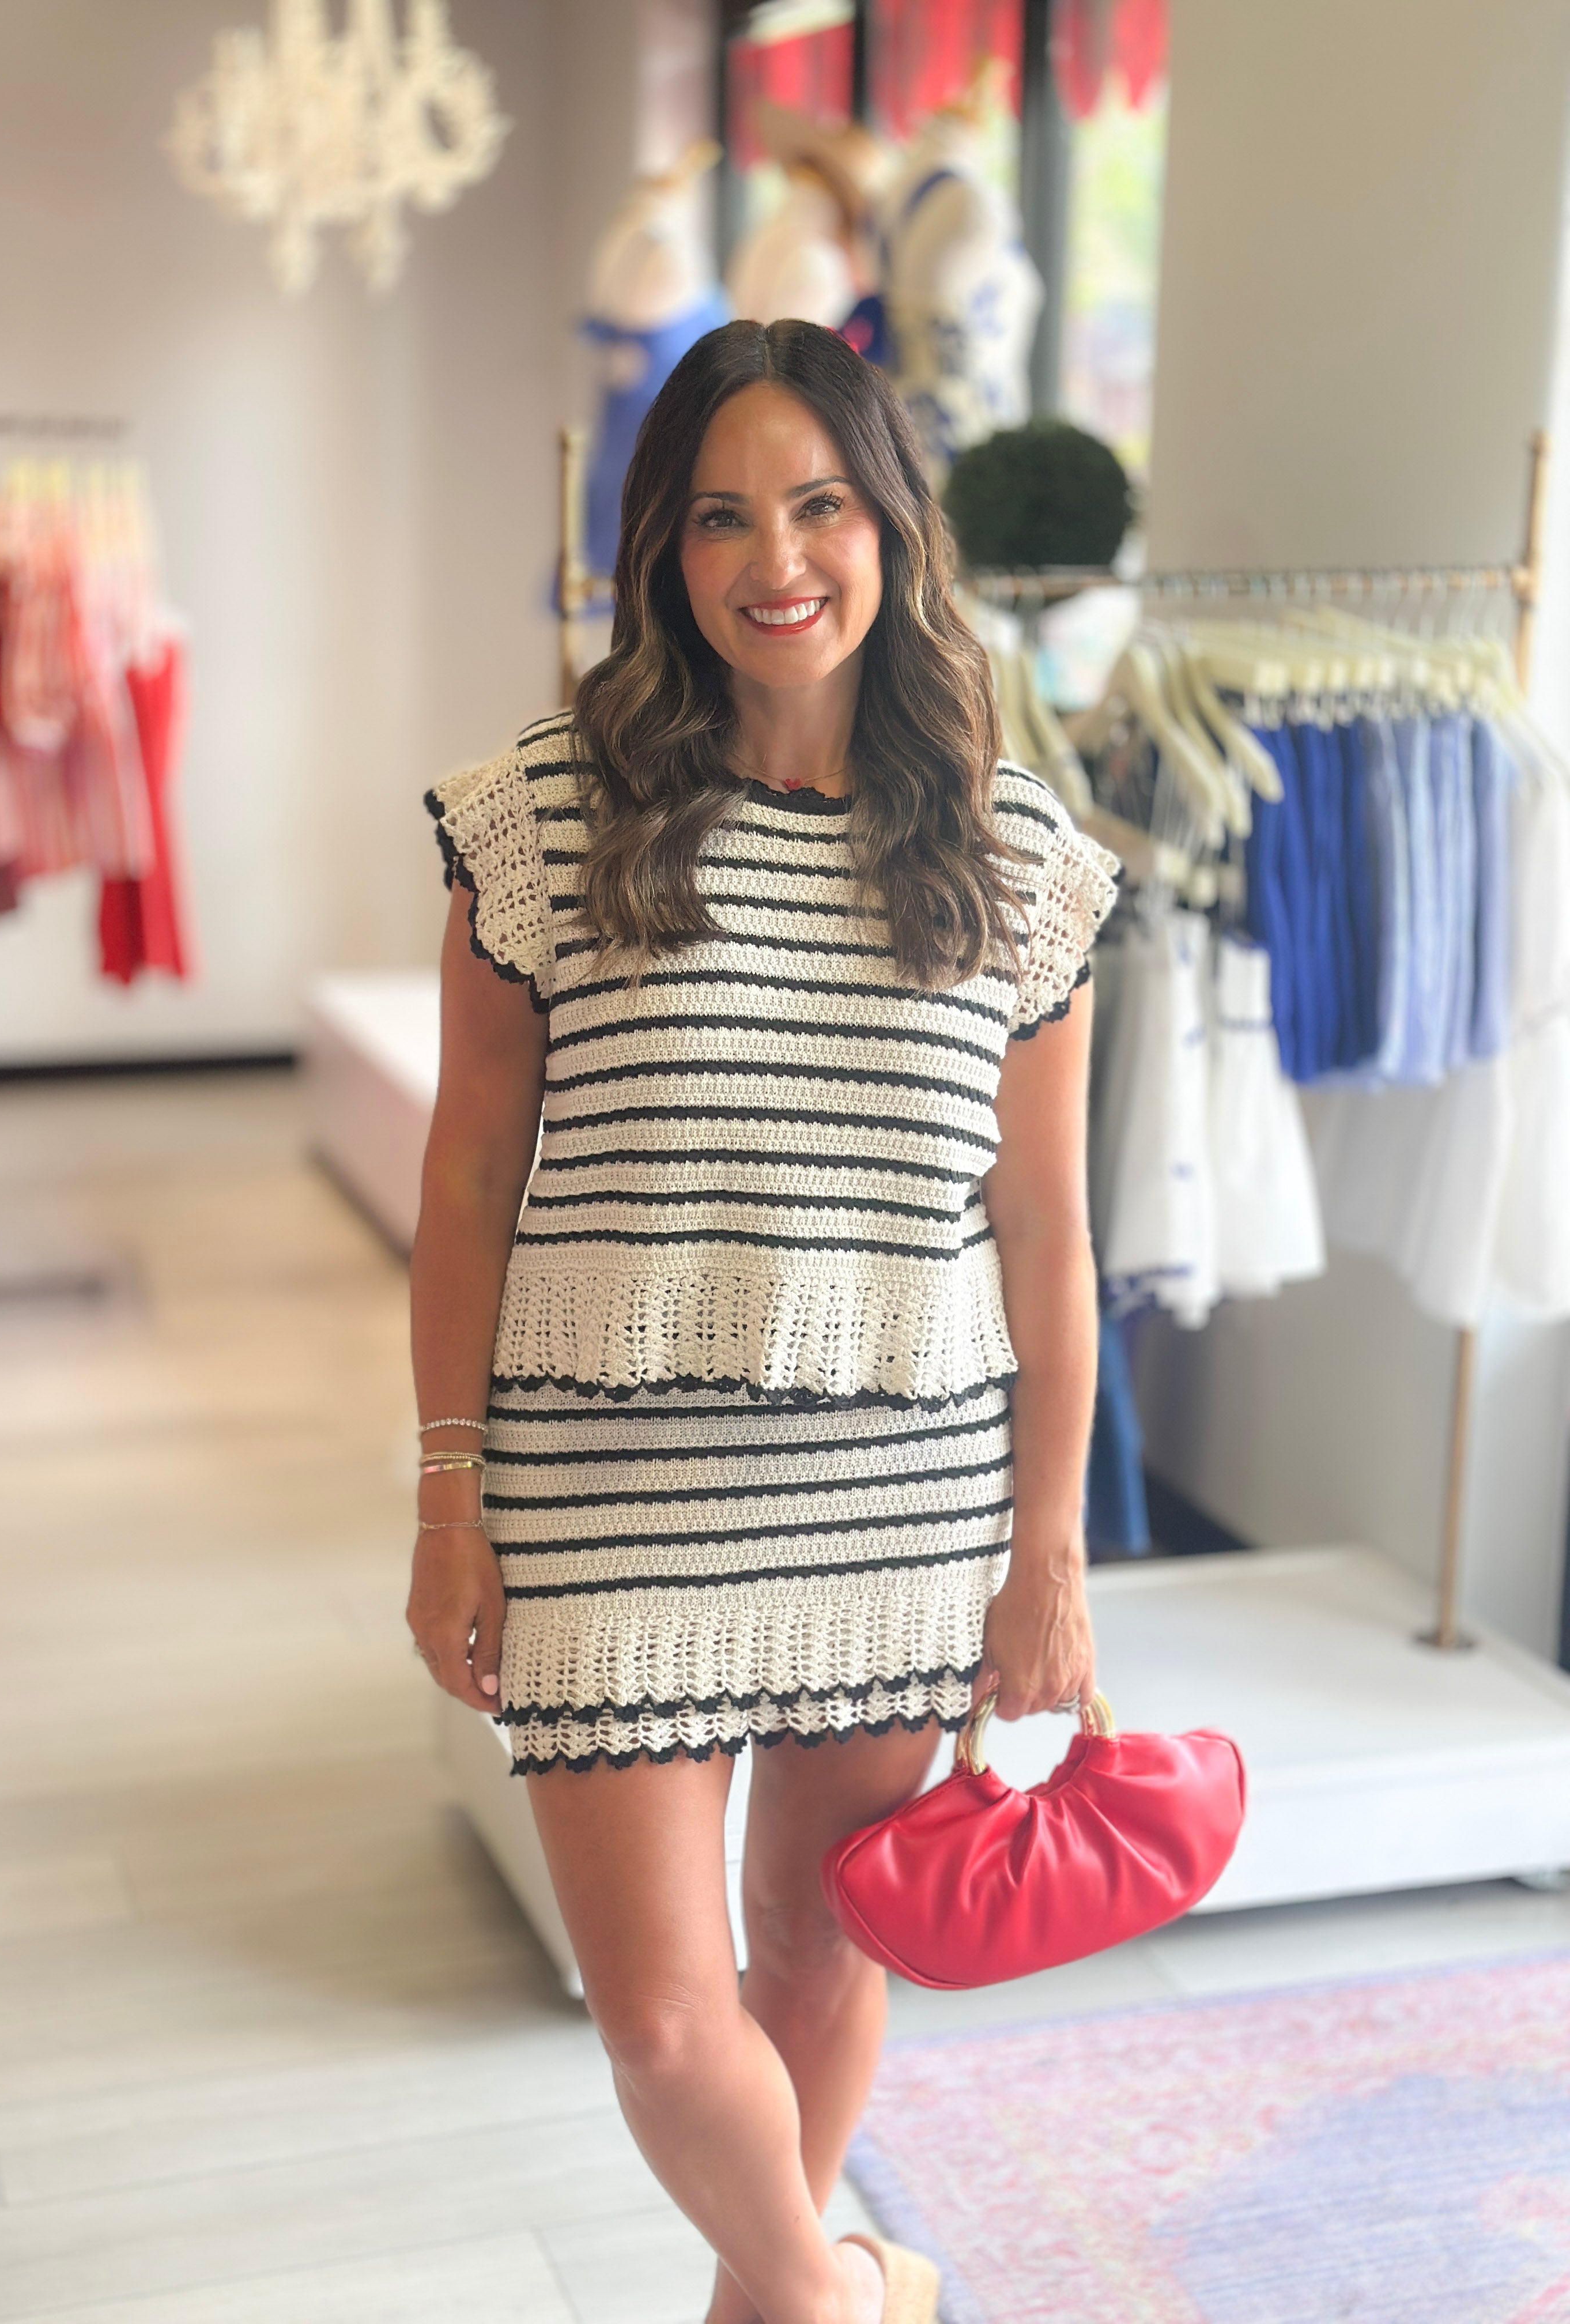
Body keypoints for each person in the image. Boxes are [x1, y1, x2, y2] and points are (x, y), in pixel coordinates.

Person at [408, 318, 1116, 2324]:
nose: (775, 559)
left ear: (894, 527)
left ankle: (775, 2306)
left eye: (819, 506)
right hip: (605, 1493)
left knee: (819, 1954)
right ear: (663, 548)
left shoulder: (1021, 856)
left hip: (901, 1496)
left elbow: (1048, 1235)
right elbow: (467, 1183)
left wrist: (1049, 1552)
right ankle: (844, 2295)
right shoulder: (542, 817)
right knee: (658, 2018)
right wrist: (449, 1504)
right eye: (721, 517)